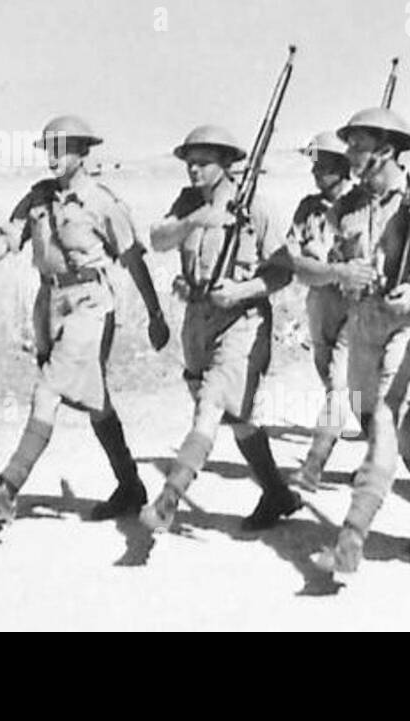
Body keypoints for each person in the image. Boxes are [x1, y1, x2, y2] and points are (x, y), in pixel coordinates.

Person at [0, 115, 170, 527]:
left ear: (82, 152)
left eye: (63, 149)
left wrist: (155, 314)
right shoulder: (39, 198)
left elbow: (132, 259)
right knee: (96, 402)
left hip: (92, 304)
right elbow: (12, 235)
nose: (55, 158)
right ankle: (130, 485)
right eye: (50, 149)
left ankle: (6, 489)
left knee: (49, 389)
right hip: (50, 303)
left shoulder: (102, 202)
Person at [309, 107, 410, 577]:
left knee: (386, 421)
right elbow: (329, 260)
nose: (349, 153)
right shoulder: (345, 208)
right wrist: (340, 273)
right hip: (365, 321)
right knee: (386, 419)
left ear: (386, 150)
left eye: (358, 145)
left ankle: (352, 536)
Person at [139, 124, 301, 533]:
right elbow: (158, 239)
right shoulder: (187, 203)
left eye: (204, 163)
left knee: (208, 409)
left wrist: (242, 290)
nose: (194, 171)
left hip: (242, 323)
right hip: (197, 323)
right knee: (239, 418)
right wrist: (196, 220)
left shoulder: (256, 210)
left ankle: (169, 497)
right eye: (190, 163)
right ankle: (277, 493)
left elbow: (282, 273)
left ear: (227, 165)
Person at [286, 132, 355, 491]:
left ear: (343, 169)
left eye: (325, 167)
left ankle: (314, 464)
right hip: (319, 303)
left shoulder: (359, 206)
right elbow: (291, 254)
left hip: (356, 305)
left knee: (341, 386)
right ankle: (381, 455)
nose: (316, 172)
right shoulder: (307, 208)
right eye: (315, 165)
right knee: (333, 378)